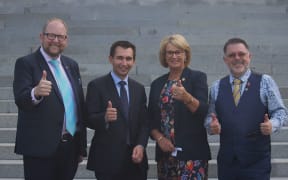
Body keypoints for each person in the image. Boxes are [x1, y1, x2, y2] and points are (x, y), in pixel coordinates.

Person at [13, 18, 87, 180]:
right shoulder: (26, 63)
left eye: (60, 37)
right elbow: (20, 98)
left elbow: (78, 105)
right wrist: (36, 92)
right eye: (51, 36)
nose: (55, 40)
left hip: (69, 148)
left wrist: (80, 147)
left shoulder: (71, 65)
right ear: (41, 37)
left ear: (66, 40)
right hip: (40, 149)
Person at [204, 37, 288, 180]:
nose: (237, 58)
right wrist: (211, 126)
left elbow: (280, 112)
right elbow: (210, 116)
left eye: (241, 54)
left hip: (256, 162)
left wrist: (272, 125)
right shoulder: (217, 86)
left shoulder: (265, 82)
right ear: (225, 60)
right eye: (231, 55)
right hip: (227, 162)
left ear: (249, 56)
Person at [148, 34, 211, 180]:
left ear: (185, 55)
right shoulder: (157, 84)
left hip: (192, 156)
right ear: (164, 56)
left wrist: (187, 98)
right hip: (166, 156)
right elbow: (150, 119)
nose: (174, 56)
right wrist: (159, 139)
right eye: (170, 52)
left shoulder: (197, 78)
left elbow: (203, 111)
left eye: (178, 52)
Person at [85, 40, 149, 180]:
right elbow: (88, 118)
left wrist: (141, 145)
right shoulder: (96, 86)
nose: (124, 63)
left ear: (133, 61)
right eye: (120, 58)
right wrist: (104, 117)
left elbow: (144, 123)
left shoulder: (138, 89)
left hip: (135, 161)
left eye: (128, 58)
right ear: (111, 59)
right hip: (107, 161)